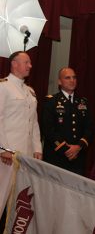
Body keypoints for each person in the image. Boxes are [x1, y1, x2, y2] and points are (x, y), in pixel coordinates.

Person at [0, 51, 42, 225]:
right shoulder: (3, 86)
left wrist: (37, 149)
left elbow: (33, 123)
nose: (30, 66)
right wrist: (4, 149)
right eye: (27, 62)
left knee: (18, 200)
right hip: (7, 155)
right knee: (1, 195)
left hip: (25, 155)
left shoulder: (30, 91)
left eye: (30, 62)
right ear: (14, 64)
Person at [41, 67, 92, 175]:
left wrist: (78, 146)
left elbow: (89, 128)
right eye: (67, 78)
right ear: (59, 81)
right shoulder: (51, 101)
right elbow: (48, 129)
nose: (72, 80)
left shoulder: (83, 102)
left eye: (74, 77)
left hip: (78, 157)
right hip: (56, 157)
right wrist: (66, 149)